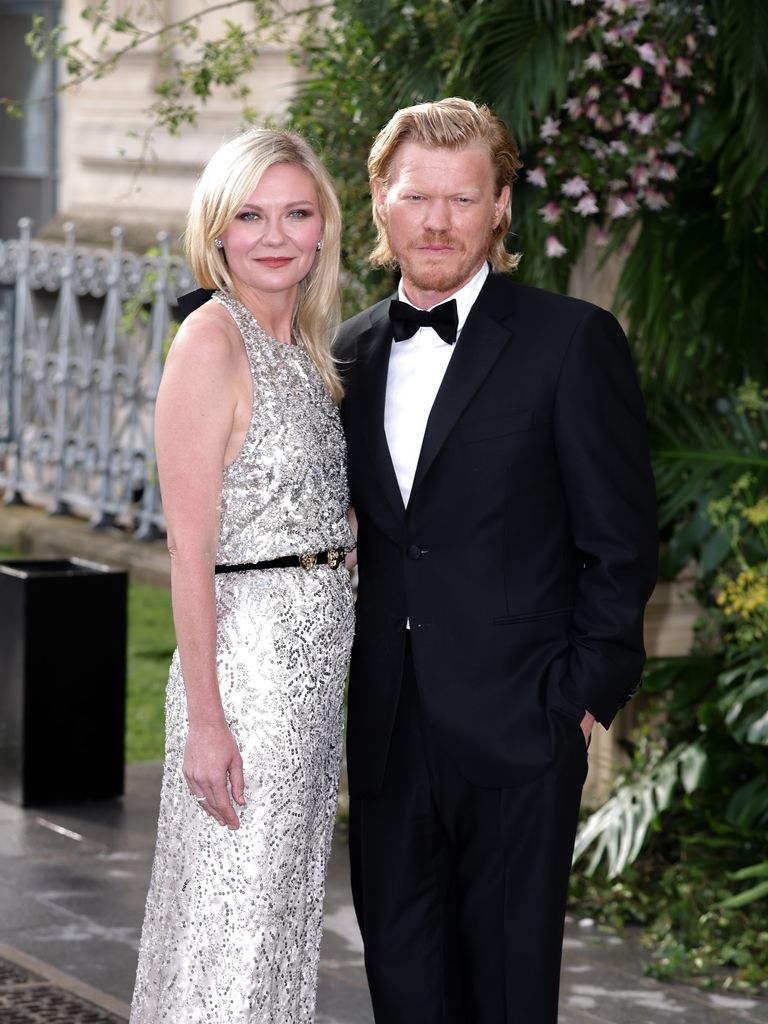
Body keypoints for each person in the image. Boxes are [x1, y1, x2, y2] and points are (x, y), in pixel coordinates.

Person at [337, 97, 658, 1024]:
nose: (438, 222)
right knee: (403, 985)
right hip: (390, 731)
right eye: (416, 197)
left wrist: (582, 695)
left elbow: (621, 542)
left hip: (523, 724)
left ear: (502, 207)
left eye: (463, 199)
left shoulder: (571, 341)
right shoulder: (347, 352)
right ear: (381, 206)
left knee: (510, 993)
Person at [129, 128, 355, 1024]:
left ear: (323, 230)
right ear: (216, 231)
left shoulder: (302, 342)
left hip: (310, 672)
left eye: (296, 213)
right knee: (237, 911)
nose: (274, 235)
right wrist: (209, 724)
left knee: (276, 911)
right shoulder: (210, 340)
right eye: (249, 215)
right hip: (250, 676)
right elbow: (189, 549)